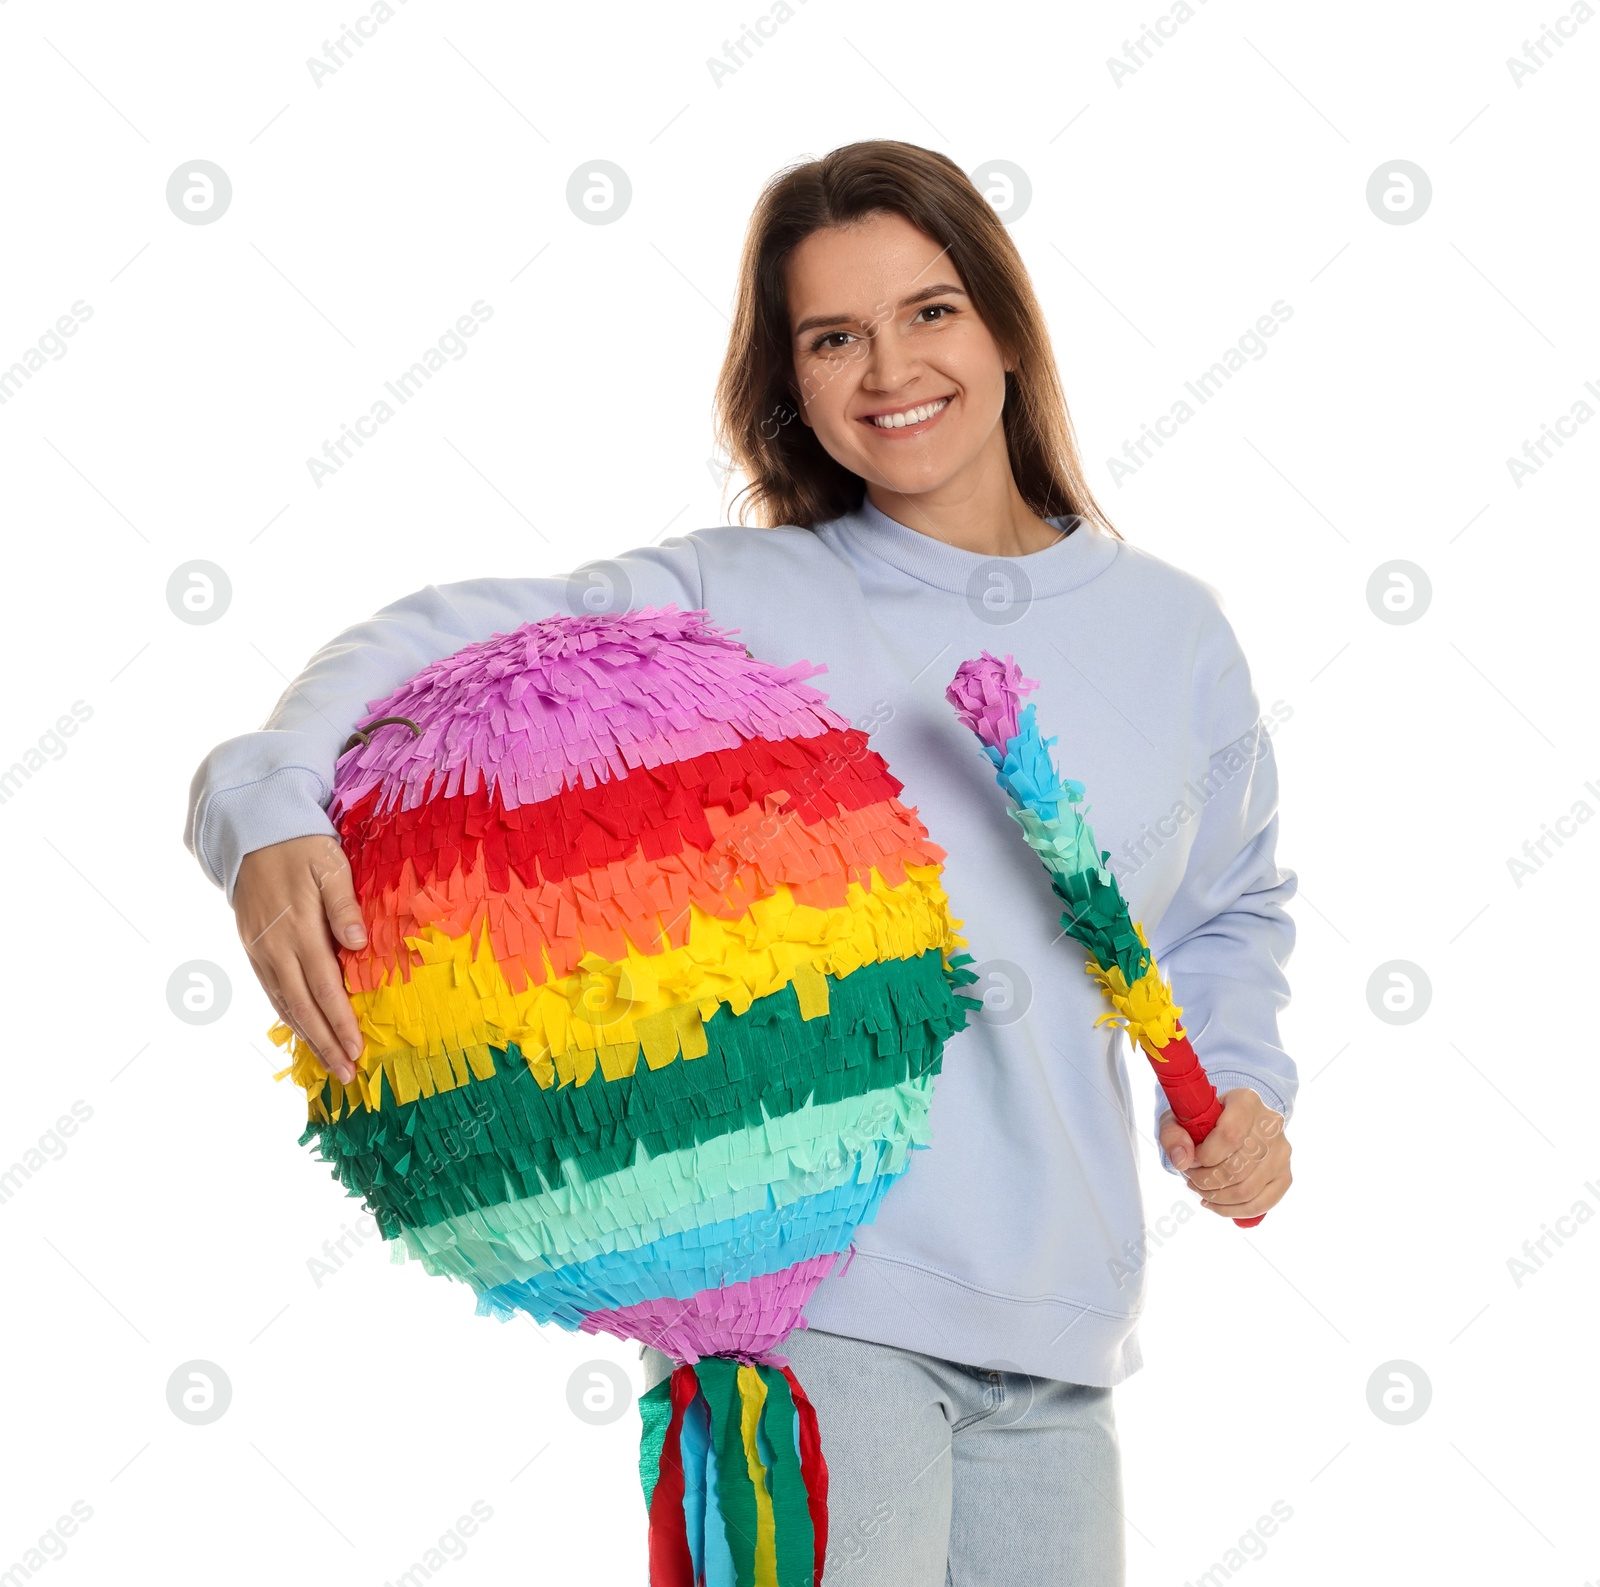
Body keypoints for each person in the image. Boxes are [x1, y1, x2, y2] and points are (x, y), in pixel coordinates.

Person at [185, 139, 1297, 1586]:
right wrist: (264, 798)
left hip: (1064, 1327)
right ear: (793, 382)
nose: (889, 366)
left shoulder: (1175, 631)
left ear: (1010, 329)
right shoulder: (746, 596)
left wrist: (1249, 1083)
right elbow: (442, 634)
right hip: (807, 1318)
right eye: (832, 336)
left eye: (931, 310)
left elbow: (1229, 909)